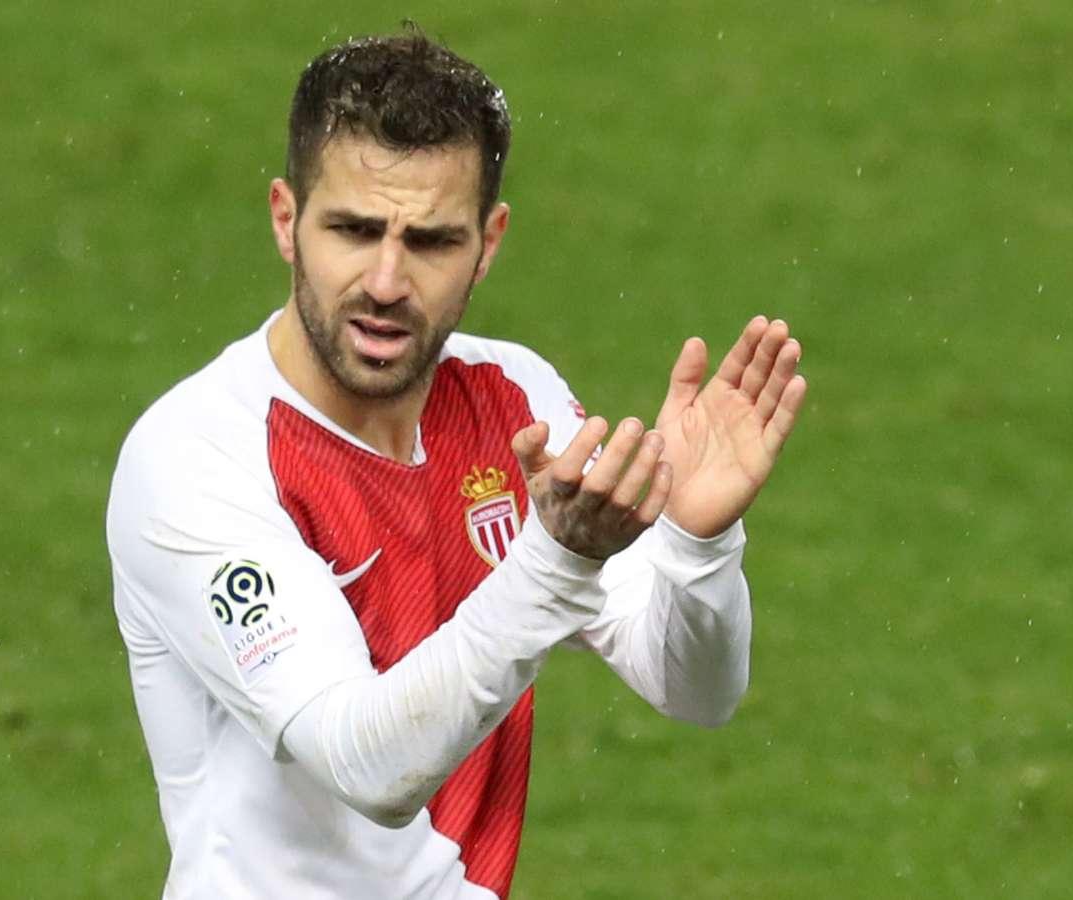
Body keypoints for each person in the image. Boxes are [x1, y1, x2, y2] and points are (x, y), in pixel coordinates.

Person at [106, 27, 806, 900]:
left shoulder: (513, 401)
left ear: (489, 242)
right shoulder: (196, 457)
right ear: (286, 220)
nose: (386, 282)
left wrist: (698, 547)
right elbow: (367, 765)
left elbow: (695, 690)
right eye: (355, 230)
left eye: (432, 241)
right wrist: (556, 561)